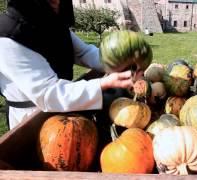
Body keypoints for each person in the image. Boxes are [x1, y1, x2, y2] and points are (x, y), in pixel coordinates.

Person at [0, 0, 145, 129]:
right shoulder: (8, 38)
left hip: (67, 106)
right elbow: (48, 94)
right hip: (30, 121)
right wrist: (103, 83)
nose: (57, 3)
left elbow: (84, 53)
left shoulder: (50, 23)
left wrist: (121, 62)